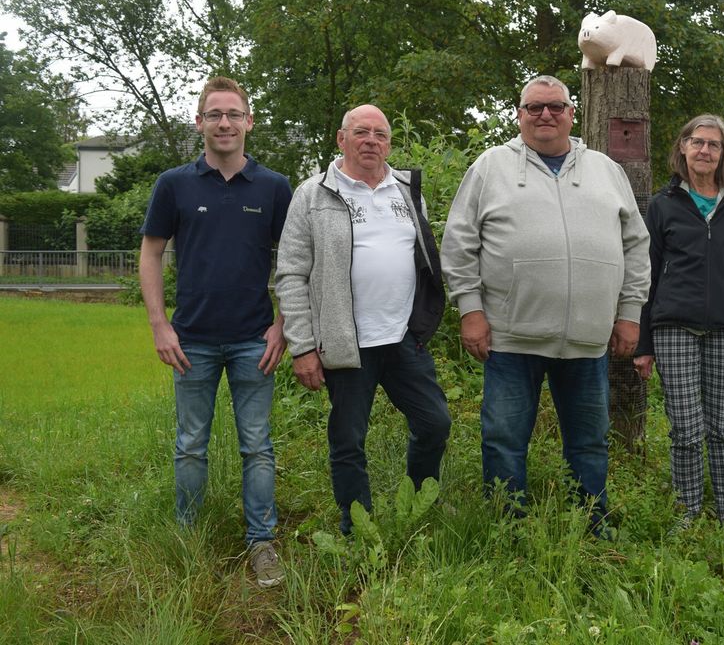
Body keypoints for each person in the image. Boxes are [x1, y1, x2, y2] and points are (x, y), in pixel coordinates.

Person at [441, 75, 650, 531]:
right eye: (534, 108)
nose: (545, 115)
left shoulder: (605, 170)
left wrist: (629, 314)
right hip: (511, 336)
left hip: (588, 339)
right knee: (504, 439)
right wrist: (470, 310)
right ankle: (508, 525)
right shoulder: (491, 166)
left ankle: (593, 524)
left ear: (572, 113)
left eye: (555, 106)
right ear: (519, 115)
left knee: (590, 441)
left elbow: (636, 245)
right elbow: (458, 244)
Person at [139, 76, 292, 587]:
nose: (223, 123)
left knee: (257, 445)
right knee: (189, 444)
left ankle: (262, 543)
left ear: (249, 122)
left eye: (233, 114)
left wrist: (282, 325)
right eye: (214, 115)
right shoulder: (174, 184)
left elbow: (295, 260)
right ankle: (188, 538)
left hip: (255, 340)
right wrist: (160, 326)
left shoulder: (273, 187)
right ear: (200, 122)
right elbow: (152, 252)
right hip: (192, 342)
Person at [275, 104, 450, 536]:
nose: (371, 140)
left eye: (380, 134)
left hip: (403, 338)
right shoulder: (313, 194)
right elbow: (291, 273)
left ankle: (415, 507)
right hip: (345, 343)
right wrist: (302, 346)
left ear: (389, 143)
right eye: (361, 132)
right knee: (349, 440)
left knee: (435, 423)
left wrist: (424, 320)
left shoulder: (407, 190)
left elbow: (423, 256)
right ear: (341, 139)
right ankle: (359, 526)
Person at [633, 115, 724, 528]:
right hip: (673, 326)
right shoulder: (663, 204)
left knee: (723, 427)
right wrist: (643, 343)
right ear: (683, 149)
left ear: (722, 153)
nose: (705, 150)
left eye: (713, 144)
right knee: (686, 428)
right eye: (697, 142)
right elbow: (646, 274)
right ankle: (687, 512)